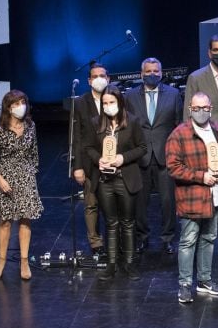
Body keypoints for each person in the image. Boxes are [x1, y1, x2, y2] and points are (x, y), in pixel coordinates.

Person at [167, 92, 218, 304]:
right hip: (193, 197)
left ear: (211, 108)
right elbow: (173, 168)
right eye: (196, 108)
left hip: (216, 194)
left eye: (205, 108)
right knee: (188, 241)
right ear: (190, 109)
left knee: (209, 238)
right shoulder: (179, 134)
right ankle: (185, 284)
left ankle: (204, 281)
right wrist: (200, 177)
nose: (201, 112)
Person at [84, 85, 147, 281]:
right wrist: (98, 159)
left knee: (128, 222)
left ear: (120, 102)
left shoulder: (133, 122)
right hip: (104, 181)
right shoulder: (95, 123)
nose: (108, 106)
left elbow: (142, 147)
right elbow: (88, 148)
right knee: (111, 223)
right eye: (104, 103)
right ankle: (111, 265)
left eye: (111, 102)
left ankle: (129, 263)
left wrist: (123, 158)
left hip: (125, 177)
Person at [124, 57, 183, 255]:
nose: (152, 74)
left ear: (161, 72)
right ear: (141, 74)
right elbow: (127, 128)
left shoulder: (174, 94)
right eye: (148, 71)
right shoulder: (130, 96)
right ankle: (142, 237)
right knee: (140, 203)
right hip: (140, 157)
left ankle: (167, 238)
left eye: (156, 71)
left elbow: (179, 126)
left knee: (168, 202)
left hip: (165, 157)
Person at [0, 89, 43, 280]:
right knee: (5, 221)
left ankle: (24, 261)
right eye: (16, 104)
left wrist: (31, 173)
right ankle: (1, 260)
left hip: (26, 178)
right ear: (8, 108)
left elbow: (34, 153)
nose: (21, 107)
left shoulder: (30, 126)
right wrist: (0, 179)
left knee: (25, 219)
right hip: (6, 180)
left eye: (23, 102)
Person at [72, 62, 110, 257]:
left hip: (112, 161)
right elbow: (76, 137)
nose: (99, 79)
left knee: (111, 205)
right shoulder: (80, 103)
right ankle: (95, 243)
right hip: (89, 162)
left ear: (108, 79)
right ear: (89, 81)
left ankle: (114, 240)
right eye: (94, 76)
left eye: (102, 75)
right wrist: (77, 167)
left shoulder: (115, 99)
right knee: (91, 203)